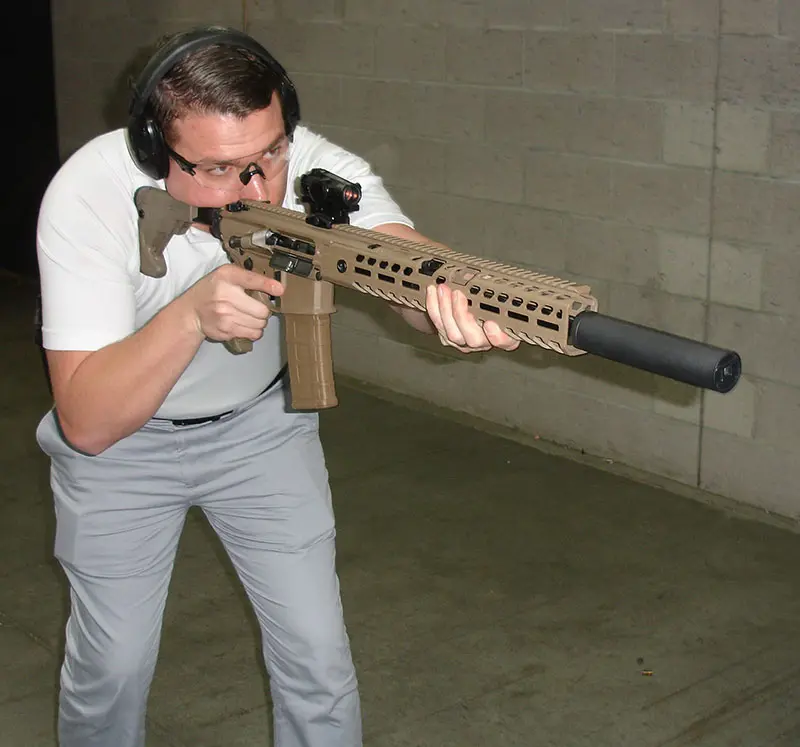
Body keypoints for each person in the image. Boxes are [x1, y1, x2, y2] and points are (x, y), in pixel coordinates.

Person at [35, 26, 519, 747]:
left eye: (272, 152)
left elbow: (396, 257)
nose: (260, 186)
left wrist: (457, 292)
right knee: (112, 669)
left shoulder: (312, 166)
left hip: (262, 434)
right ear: (153, 149)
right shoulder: (87, 197)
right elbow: (88, 421)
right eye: (224, 168)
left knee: (317, 659)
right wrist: (191, 316)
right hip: (124, 459)